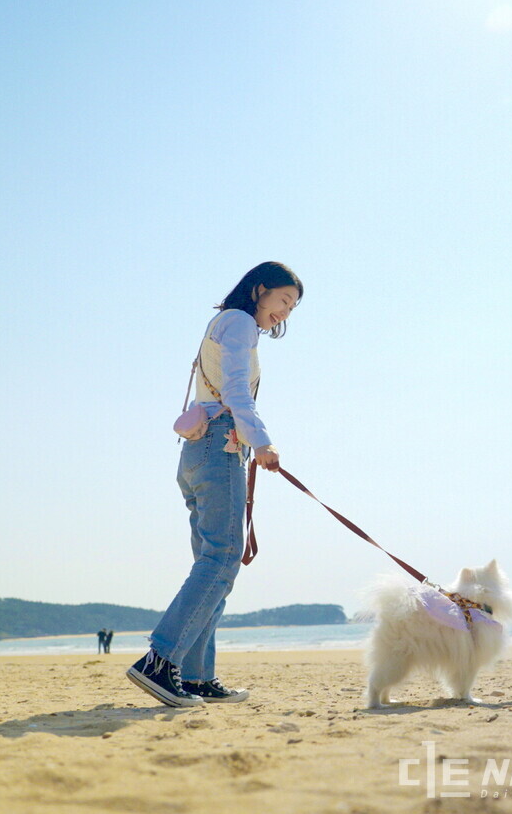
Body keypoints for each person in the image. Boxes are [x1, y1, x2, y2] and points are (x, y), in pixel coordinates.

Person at [127, 262, 302, 707]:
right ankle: (159, 662)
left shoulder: (223, 323)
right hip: (220, 447)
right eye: (283, 300)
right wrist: (262, 442)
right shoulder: (240, 322)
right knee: (221, 560)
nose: (285, 312)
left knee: (212, 565)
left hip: (197, 452)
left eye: (292, 308)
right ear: (259, 290)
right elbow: (237, 391)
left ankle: (195, 675)